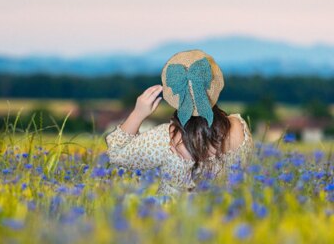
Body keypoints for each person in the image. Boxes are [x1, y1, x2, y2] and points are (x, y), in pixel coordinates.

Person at [105, 49, 254, 195]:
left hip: (173, 218)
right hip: (229, 216)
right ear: (212, 87)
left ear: (174, 91)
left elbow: (116, 153)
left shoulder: (165, 139)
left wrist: (138, 113)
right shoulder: (240, 127)